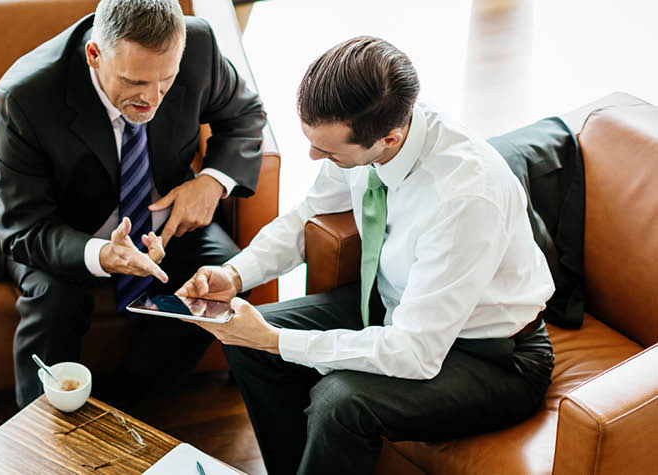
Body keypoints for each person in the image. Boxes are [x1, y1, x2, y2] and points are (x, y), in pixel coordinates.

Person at [176, 36, 555, 474]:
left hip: (492, 356)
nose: (314, 156)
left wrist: (275, 339)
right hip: (398, 307)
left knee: (338, 403)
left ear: (388, 139)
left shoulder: (464, 199)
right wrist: (236, 274)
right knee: (242, 339)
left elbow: (414, 352)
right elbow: (308, 215)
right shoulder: (374, 134)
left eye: (329, 151)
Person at [0, 0, 266, 408]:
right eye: (135, 82)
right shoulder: (22, 98)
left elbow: (244, 116)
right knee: (53, 303)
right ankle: (41, 435)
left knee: (224, 274)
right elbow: (24, 228)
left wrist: (210, 181)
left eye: (165, 81)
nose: (151, 100)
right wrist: (102, 254)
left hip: (162, 219)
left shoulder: (199, 45)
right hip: (65, 232)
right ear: (94, 56)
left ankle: (130, 405)